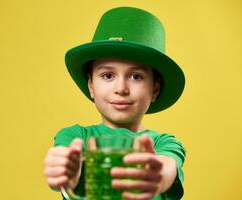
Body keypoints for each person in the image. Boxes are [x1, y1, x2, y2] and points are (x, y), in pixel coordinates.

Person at [44, 6, 186, 200]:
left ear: (155, 89)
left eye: (136, 76)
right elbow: (67, 162)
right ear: (91, 85)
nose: (121, 88)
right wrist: (66, 171)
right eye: (108, 75)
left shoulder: (164, 143)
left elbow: (167, 165)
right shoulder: (74, 137)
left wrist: (158, 174)